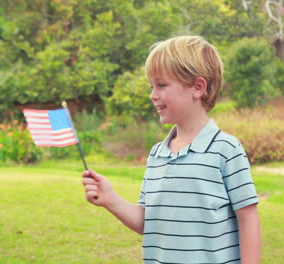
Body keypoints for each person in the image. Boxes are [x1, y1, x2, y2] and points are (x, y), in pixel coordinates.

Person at [82, 35, 261, 263]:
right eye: (151, 86)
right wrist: (111, 199)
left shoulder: (225, 149)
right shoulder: (157, 154)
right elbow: (149, 222)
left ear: (197, 87)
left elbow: (247, 218)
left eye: (161, 85)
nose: (153, 94)